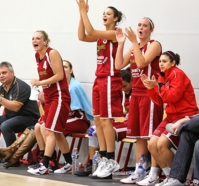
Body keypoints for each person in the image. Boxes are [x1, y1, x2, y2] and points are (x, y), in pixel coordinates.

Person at [76, 0, 124, 178]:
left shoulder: (113, 33)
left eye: (108, 13)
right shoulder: (102, 36)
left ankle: (111, 159)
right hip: (100, 78)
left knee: (106, 121)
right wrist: (82, 14)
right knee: (97, 120)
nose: (104, 15)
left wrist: (84, 11)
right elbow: (82, 36)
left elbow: (91, 31)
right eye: (103, 13)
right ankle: (103, 158)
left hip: (111, 79)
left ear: (116, 18)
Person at [114, 17, 164, 184]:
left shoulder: (154, 45)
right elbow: (119, 65)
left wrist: (134, 42)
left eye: (145, 25)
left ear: (151, 30)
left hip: (150, 94)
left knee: (151, 136)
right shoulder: (134, 46)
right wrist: (121, 43)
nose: (141, 27)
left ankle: (154, 173)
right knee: (139, 136)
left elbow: (142, 63)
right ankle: (139, 171)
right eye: (139, 25)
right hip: (136, 94)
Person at [140, 51, 199, 186]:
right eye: (160, 61)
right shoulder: (162, 76)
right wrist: (151, 89)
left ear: (173, 63)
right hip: (171, 116)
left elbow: (172, 96)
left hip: (185, 116)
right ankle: (169, 176)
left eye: (164, 61)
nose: (161, 64)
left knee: (161, 144)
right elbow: (160, 101)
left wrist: (158, 86)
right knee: (151, 144)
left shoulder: (178, 74)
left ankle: (179, 177)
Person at [27, 60, 93, 174]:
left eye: (66, 67)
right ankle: (65, 162)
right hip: (65, 117)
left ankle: (47, 163)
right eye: (61, 67)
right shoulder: (56, 86)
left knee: (49, 128)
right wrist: (43, 102)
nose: (63, 69)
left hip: (78, 119)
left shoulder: (74, 86)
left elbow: (70, 108)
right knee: (42, 126)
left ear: (71, 71)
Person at [0, 61, 40, 165]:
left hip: (29, 118)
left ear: (12, 72)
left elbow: (16, 107)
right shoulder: (3, 87)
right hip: (12, 116)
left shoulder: (21, 86)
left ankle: (13, 158)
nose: (1, 76)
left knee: (6, 125)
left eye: (4, 73)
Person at [27, 30, 72, 175]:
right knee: (57, 133)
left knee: (50, 130)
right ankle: (69, 163)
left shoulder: (52, 53)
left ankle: (44, 165)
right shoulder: (37, 56)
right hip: (50, 97)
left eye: (38, 38)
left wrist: (39, 82)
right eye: (33, 38)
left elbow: (60, 75)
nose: (35, 40)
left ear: (45, 41)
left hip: (59, 96)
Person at [74, 68, 132, 177]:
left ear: (131, 82)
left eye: (124, 86)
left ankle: (110, 161)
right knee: (92, 130)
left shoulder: (135, 93)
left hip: (130, 124)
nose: (122, 89)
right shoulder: (118, 91)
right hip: (120, 121)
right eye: (121, 87)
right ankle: (94, 163)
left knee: (109, 129)